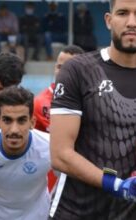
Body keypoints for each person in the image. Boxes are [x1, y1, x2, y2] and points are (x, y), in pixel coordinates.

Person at [48, 0, 136, 218]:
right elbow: (60, 155)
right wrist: (116, 184)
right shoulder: (78, 70)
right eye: (122, 13)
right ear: (109, 20)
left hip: (129, 214)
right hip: (73, 212)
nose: (131, 22)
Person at [0, 86, 50, 220]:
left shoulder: (51, 147)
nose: (14, 130)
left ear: (32, 122)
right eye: (7, 120)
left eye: (21, 120)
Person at [33, 45, 84, 192]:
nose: (62, 72)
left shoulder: (91, 101)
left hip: (82, 175)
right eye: (59, 67)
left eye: (68, 68)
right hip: (51, 179)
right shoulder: (40, 103)